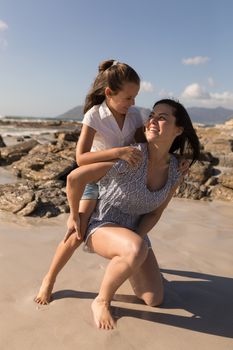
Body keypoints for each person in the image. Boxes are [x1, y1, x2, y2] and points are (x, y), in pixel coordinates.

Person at [64, 99, 201, 330]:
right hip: (102, 223)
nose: (153, 121)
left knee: (154, 299)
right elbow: (75, 177)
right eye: (152, 116)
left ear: (178, 130)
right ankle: (101, 300)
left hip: (133, 232)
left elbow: (156, 213)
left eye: (162, 117)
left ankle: (125, 259)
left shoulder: (177, 169)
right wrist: (74, 213)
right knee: (135, 249)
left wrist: (134, 244)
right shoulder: (133, 155)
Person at [35, 59, 146, 305]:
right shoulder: (94, 115)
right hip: (94, 181)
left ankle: (126, 262)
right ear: (109, 93)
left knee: (135, 226)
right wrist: (117, 152)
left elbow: (144, 148)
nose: (133, 103)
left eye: (135, 97)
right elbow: (81, 158)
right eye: (128, 98)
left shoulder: (135, 114)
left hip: (122, 182)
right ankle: (49, 279)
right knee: (76, 232)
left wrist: (176, 159)